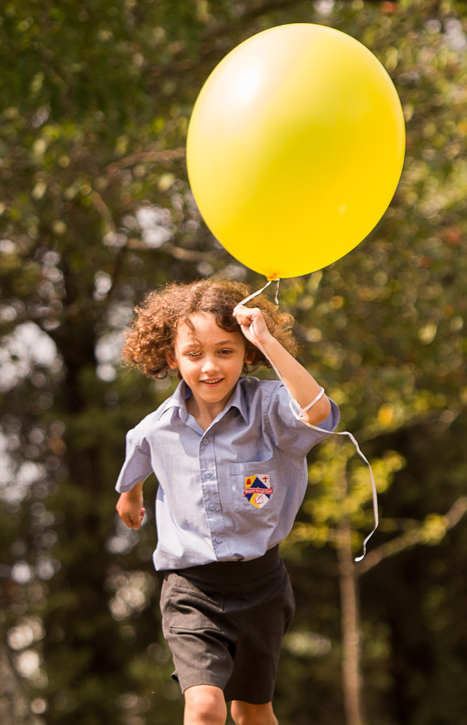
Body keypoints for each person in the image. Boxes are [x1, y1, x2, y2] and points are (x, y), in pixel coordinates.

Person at [114, 279, 338, 725]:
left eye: (225, 351)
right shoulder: (156, 428)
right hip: (191, 589)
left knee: (252, 712)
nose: (209, 366)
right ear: (171, 358)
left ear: (246, 355)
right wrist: (131, 494)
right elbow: (136, 460)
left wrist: (268, 342)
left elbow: (317, 412)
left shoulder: (271, 409)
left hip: (262, 586)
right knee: (204, 707)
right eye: (194, 354)